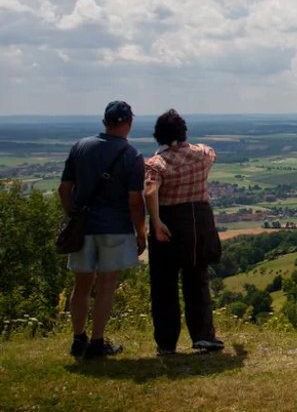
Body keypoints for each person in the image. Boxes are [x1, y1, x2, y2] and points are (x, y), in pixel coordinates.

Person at [58, 100, 147, 359]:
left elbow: (64, 190)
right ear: (129, 123)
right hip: (115, 228)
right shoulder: (132, 155)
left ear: (104, 123)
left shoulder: (80, 147)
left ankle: (78, 339)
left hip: (83, 228)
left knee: (81, 284)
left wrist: (73, 216)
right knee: (107, 285)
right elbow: (134, 200)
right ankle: (97, 342)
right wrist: (141, 232)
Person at [144, 109, 223, 355]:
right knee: (197, 278)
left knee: (164, 284)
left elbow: (149, 192)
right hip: (199, 222)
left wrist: (155, 223)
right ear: (183, 132)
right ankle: (203, 336)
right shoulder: (202, 154)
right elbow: (212, 153)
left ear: (159, 135)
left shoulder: (156, 163)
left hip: (169, 222)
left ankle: (167, 343)